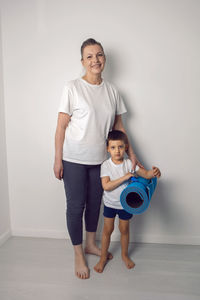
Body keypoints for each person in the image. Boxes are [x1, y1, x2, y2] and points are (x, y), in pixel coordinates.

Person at [54, 38, 140, 279]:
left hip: (100, 160)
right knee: (76, 206)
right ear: (82, 61)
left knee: (95, 204)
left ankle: (91, 243)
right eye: (89, 56)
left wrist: (132, 153)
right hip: (73, 158)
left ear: (105, 59)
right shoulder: (72, 87)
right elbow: (61, 127)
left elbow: (119, 126)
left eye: (99, 55)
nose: (95, 60)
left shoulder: (112, 90)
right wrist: (57, 159)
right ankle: (78, 253)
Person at [94, 130, 161, 273]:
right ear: (107, 148)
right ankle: (103, 257)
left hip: (125, 205)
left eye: (120, 147)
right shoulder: (105, 165)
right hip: (110, 205)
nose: (117, 151)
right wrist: (125, 177)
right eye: (113, 147)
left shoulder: (130, 163)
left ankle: (124, 255)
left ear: (125, 147)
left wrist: (154, 172)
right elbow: (106, 186)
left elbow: (146, 174)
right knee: (107, 230)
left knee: (124, 230)